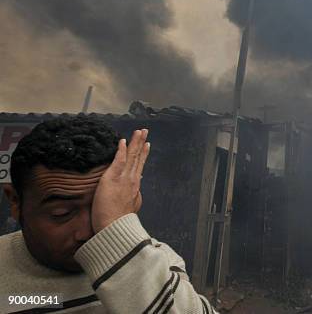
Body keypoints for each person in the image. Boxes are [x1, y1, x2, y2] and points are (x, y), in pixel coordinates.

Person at [0, 116, 218, 313]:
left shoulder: (153, 263)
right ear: (15, 201)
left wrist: (115, 228)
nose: (88, 234)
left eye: (103, 208)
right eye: (62, 213)